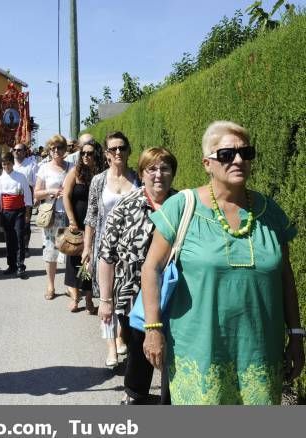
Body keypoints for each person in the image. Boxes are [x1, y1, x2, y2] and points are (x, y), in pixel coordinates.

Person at [142, 121, 305, 405]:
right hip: (200, 354)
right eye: (227, 154)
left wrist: (296, 335)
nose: (239, 160)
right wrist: (153, 329)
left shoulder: (270, 212)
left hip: (260, 356)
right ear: (207, 163)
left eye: (246, 152)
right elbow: (151, 268)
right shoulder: (182, 206)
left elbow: (285, 277)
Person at [98, 147, 177, 404]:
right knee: (139, 349)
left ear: (173, 174)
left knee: (175, 349)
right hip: (132, 295)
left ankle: (172, 400)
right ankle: (135, 396)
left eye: (164, 168)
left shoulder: (184, 205)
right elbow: (107, 255)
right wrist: (106, 300)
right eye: (151, 169)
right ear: (141, 174)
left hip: (176, 292)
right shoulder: (125, 206)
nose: (158, 175)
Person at [83, 131, 140, 364]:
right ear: (106, 154)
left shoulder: (137, 178)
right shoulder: (98, 181)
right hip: (104, 248)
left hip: (132, 249)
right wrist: (87, 248)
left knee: (124, 297)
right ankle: (111, 347)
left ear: (128, 151)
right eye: (113, 149)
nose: (118, 152)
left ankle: (120, 337)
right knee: (106, 297)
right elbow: (91, 215)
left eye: (122, 148)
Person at [63, 139, 104, 313]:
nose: (86, 156)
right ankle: (75, 298)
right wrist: (71, 220)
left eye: (90, 153)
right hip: (76, 221)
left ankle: (89, 299)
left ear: (96, 155)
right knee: (74, 260)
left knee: (89, 261)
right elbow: (66, 196)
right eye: (83, 153)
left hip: (94, 222)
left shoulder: (101, 173)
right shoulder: (75, 171)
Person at [34, 134, 73, 299]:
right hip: (51, 214)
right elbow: (36, 193)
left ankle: (71, 286)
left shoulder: (72, 167)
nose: (56, 151)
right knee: (51, 251)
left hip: (69, 214)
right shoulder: (43, 168)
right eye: (53, 148)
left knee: (71, 250)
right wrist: (51, 191)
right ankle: (50, 285)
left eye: (60, 147)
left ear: (65, 150)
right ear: (49, 150)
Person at [0, 152, 33, 277]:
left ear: (12, 163)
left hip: (19, 211)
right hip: (6, 213)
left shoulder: (21, 177)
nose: (6, 167)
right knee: (9, 239)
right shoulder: (0, 180)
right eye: (4, 165)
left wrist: (27, 213)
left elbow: (28, 196)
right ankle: (11, 265)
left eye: (8, 164)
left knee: (19, 237)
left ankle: (20, 266)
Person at [12, 143, 37, 254]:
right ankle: (16, 246)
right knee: (14, 223)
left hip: (27, 195)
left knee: (26, 223)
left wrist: (36, 197)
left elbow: (36, 182)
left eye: (19, 150)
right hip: (13, 197)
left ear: (25, 152)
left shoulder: (31, 164)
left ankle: (25, 247)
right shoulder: (10, 164)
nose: (16, 152)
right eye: (15, 150)